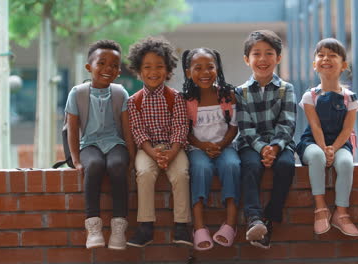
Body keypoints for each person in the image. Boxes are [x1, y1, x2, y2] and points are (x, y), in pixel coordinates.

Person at [65, 39, 136, 250]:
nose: (108, 69)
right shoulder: (77, 93)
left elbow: (126, 129)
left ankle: (118, 228)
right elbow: (72, 128)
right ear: (89, 67)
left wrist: (131, 158)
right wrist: (76, 159)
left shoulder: (120, 93)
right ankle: (94, 227)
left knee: (116, 166)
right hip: (90, 145)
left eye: (114, 65)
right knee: (94, 165)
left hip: (115, 143)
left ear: (119, 71)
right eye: (102, 63)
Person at [125, 37, 192, 247]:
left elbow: (181, 127)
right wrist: (153, 154)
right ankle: (145, 226)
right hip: (148, 148)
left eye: (159, 67)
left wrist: (171, 153)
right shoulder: (133, 101)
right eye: (147, 67)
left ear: (168, 70)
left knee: (180, 174)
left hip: (174, 146)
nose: (153, 72)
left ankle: (182, 226)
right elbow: (138, 131)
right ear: (138, 70)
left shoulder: (176, 97)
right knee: (144, 173)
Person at [235, 30, 296, 249]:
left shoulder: (286, 89)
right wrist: (262, 149)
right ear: (247, 59)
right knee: (249, 166)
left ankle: (270, 217)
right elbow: (245, 127)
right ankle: (254, 218)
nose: (263, 59)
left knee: (287, 166)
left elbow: (287, 123)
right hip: (251, 144)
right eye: (256, 54)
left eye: (269, 53)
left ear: (278, 58)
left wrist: (275, 147)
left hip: (279, 143)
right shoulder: (240, 92)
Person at [296, 38, 358, 237]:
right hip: (313, 142)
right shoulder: (310, 96)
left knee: (345, 164)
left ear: (344, 65)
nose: (326, 59)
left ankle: (341, 214)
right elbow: (314, 125)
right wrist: (325, 148)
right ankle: (320, 208)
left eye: (332, 55)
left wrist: (334, 149)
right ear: (314, 64)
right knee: (317, 157)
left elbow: (347, 129)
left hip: (340, 144)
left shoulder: (350, 97)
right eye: (321, 55)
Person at [181, 48, 241, 250]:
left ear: (218, 69)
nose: (205, 72)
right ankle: (199, 227)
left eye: (210, 67)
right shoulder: (186, 100)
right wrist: (202, 146)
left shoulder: (227, 96)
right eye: (198, 68)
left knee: (232, 165)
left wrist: (221, 145)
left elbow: (234, 127)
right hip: (197, 149)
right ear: (189, 72)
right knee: (200, 169)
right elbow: (185, 131)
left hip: (225, 146)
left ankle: (231, 224)